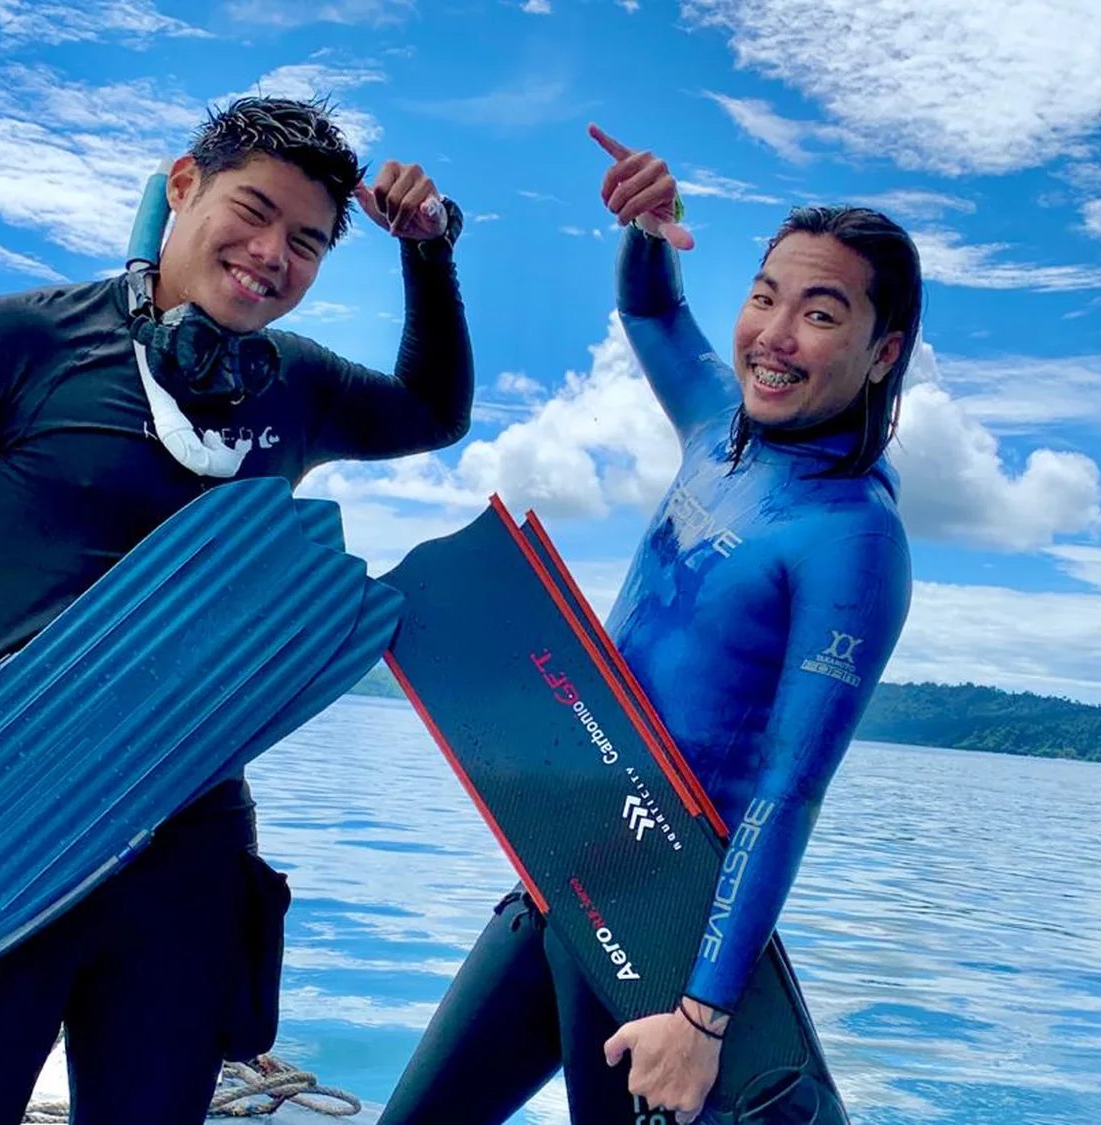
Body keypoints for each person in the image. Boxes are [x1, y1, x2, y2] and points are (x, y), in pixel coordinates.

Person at [0, 96, 473, 1125]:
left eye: (307, 242)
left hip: (189, 848)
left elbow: (433, 414)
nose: (271, 254)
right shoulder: (19, 341)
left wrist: (428, 250)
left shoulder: (295, 385)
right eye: (253, 211)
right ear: (183, 185)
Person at [378, 123, 918, 1125]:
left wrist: (704, 1018)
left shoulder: (853, 539)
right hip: (564, 873)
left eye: (819, 313)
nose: (774, 334)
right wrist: (648, 226)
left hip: (667, 938)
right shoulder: (719, 427)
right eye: (764, 297)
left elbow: (787, 793)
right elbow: (651, 307)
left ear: (882, 351)